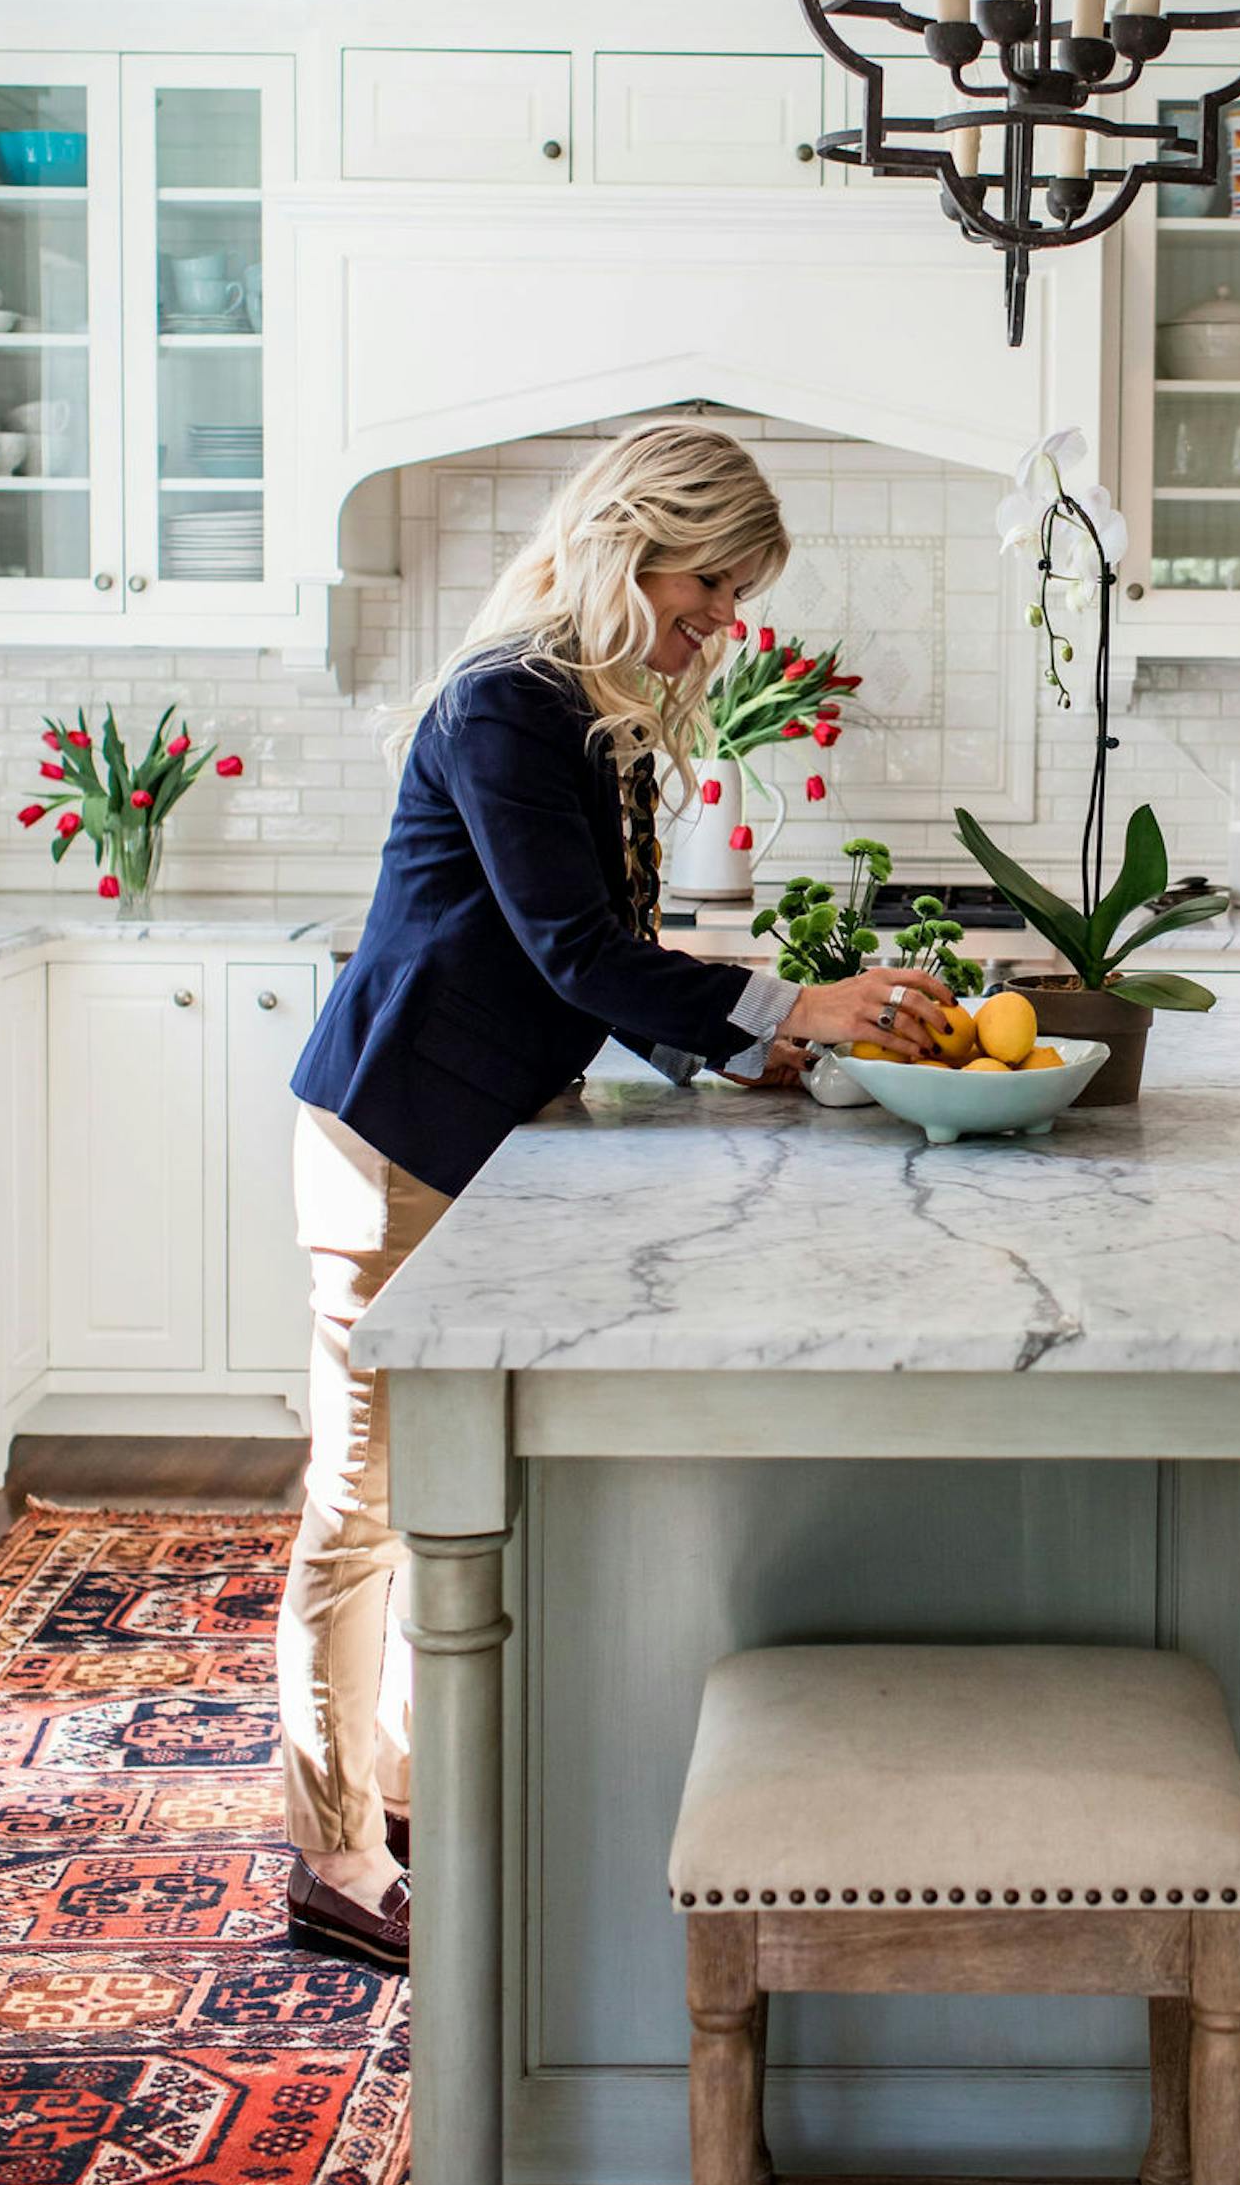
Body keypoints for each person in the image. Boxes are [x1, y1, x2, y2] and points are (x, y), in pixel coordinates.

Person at [277, 419, 953, 1966]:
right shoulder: (508, 704)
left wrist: (751, 1052)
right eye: (711, 586)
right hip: (394, 1128)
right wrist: (801, 1008)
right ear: (627, 542)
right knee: (364, 1498)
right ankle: (329, 1849)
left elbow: (602, 957)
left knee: (439, 1490)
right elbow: (576, 953)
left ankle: (403, 1801)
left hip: (488, 1126)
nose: (722, 622)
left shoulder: (597, 708)